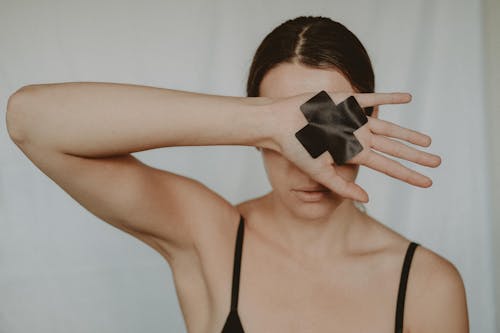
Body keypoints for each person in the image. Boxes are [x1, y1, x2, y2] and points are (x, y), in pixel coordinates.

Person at [6, 15, 468, 333]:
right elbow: (30, 120)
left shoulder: (428, 284)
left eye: (333, 126)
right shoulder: (210, 236)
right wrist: (268, 121)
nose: (311, 160)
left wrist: (291, 121)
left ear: (368, 122)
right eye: (295, 134)